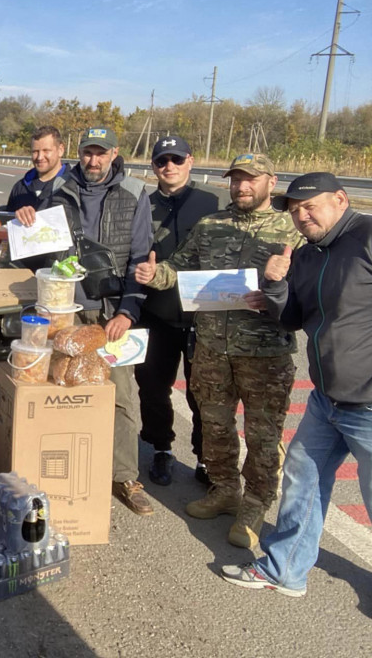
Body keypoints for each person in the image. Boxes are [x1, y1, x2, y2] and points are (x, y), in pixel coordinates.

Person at [136, 153, 304, 548]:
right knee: (214, 425)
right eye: (235, 180)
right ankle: (225, 488)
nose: (241, 186)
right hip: (211, 348)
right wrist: (153, 275)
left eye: (251, 179)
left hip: (265, 353)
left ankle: (256, 503)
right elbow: (178, 267)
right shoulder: (212, 225)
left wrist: (282, 291)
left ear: (270, 181)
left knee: (263, 435)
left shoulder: (290, 228)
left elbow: (308, 288)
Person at [222, 173, 372, 596]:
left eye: (310, 206)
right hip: (326, 400)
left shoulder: (368, 236)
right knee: (302, 480)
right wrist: (273, 284)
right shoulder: (305, 256)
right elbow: (292, 318)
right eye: (293, 211)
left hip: (370, 403)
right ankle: (283, 569)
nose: (301, 216)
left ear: (340, 200)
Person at [53, 126, 155, 516]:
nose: (92, 161)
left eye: (100, 153)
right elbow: (41, 241)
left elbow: (141, 257)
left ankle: (124, 476)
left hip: (112, 311)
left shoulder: (134, 192)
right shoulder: (60, 189)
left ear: (114, 153)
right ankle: (66, 471)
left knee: (121, 396)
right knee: (63, 388)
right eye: (86, 153)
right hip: (67, 308)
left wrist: (129, 310)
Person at [135, 136, 226, 487]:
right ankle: (161, 448)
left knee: (202, 392)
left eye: (175, 159)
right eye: (161, 161)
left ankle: (205, 458)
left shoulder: (211, 202)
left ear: (190, 161)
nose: (168, 167)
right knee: (153, 387)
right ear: (153, 166)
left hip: (201, 316)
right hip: (155, 313)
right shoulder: (143, 203)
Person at [0, 124, 69, 226]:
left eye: (46, 151)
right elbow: (7, 227)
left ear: (61, 150)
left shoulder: (74, 186)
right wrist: (17, 216)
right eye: (35, 151)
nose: (40, 157)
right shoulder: (20, 187)